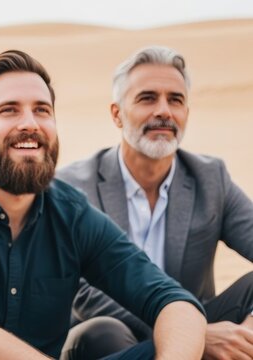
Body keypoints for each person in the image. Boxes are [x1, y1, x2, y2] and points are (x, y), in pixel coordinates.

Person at [0, 49, 208, 360]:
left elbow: (170, 299)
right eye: (9, 110)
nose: (30, 124)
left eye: (42, 110)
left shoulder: (71, 214)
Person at [57, 45, 253, 359]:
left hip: (198, 322)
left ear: (186, 113)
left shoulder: (210, 178)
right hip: (111, 337)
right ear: (117, 114)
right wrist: (193, 334)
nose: (163, 111)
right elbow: (81, 291)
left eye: (175, 100)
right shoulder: (73, 185)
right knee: (102, 332)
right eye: (147, 98)